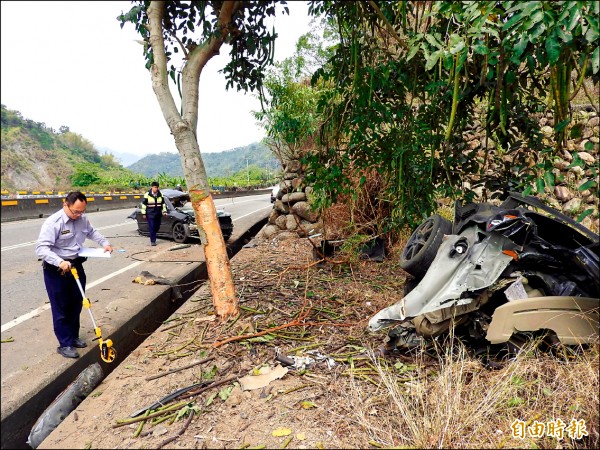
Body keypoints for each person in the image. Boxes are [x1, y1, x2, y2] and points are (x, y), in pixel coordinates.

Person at [35, 191, 113, 359]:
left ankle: (74, 336)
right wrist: (59, 261)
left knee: (77, 303)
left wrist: (105, 243)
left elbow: (92, 232)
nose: (79, 215)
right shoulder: (53, 223)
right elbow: (41, 248)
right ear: (66, 205)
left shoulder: (82, 218)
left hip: (76, 266)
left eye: (82, 211)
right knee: (61, 307)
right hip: (57, 269)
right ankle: (65, 344)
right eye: (75, 211)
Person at [141, 181, 167, 246]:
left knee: (157, 226)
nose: (156, 189)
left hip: (158, 213)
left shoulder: (160, 194)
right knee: (152, 226)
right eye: (155, 187)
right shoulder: (147, 195)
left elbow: (163, 204)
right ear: (152, 187)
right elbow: (144, 205)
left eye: (157, 187)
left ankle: (153, 233)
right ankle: (153, 241)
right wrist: (143, 213)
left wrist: (164, 211)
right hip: (150, 213)